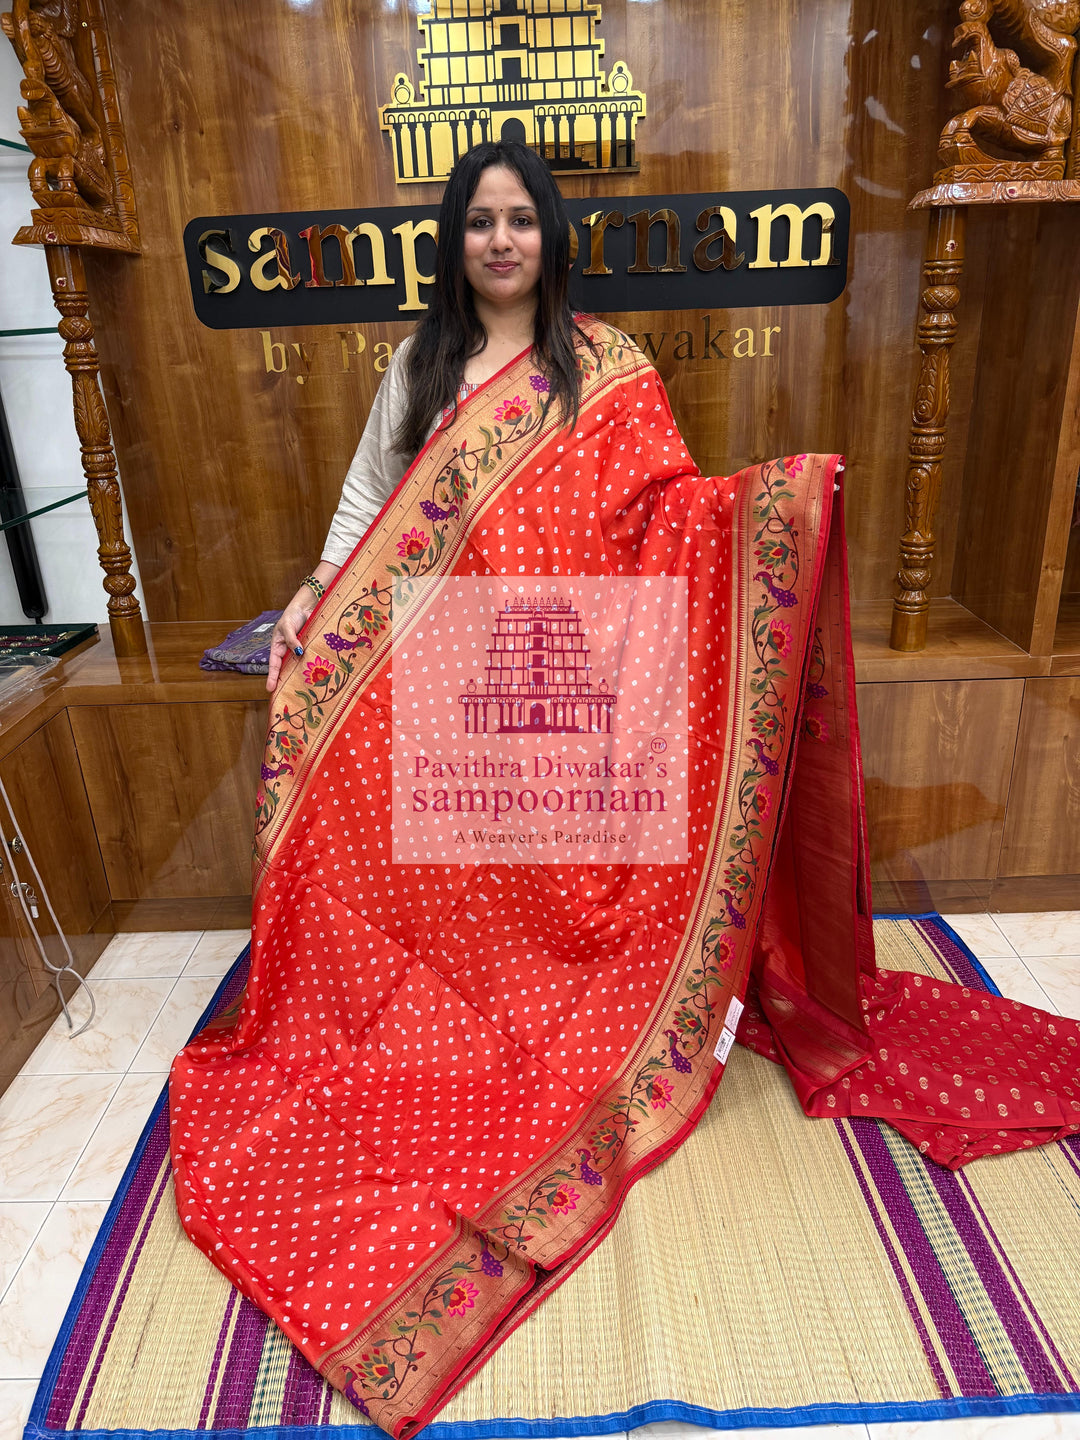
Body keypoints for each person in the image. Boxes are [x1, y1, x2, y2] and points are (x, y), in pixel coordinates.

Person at [171, 143, 1080, 1440]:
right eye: (477, 222)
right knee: (449, 877)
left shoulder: (605, 364)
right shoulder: (420, 362)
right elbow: (371, 501)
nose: (498, 241)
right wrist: (322, 591)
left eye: (517, 221)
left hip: (565, 666)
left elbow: (660, 513)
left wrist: (763, 517)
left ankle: (621, 992)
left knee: (573, 884)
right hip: (445, 664)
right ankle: (473, 991)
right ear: (455, 239)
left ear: (547, 236)